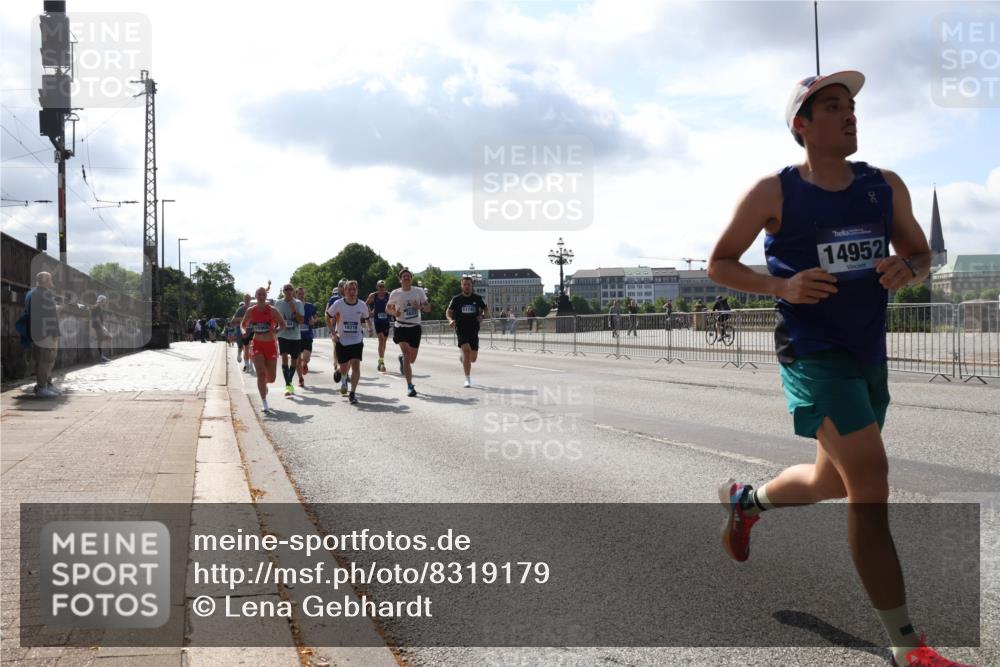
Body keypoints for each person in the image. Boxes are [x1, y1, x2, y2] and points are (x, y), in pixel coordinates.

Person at [707, 70, 968, 667]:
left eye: (851, 106)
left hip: (867, 354)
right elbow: (720, 263)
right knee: (871, 480)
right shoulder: (773, 192)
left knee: (833, 481)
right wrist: (781, 284)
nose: (849, 115)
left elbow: (920, 252)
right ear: (801, 125)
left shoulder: (883, 186)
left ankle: (748, 503)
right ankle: (908, 647)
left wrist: (912, 269)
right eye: (832, 107)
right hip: (812, 351)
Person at [386, 268, 430, 397]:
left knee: (412, 359)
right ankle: (410, 386)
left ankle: (402, 360)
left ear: (411, 278)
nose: (406, 278)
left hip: (415, 327)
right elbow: (388, 308)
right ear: (400, 280)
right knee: (406, 354)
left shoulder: (419, 291)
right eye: (403, 276)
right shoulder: (395, 293)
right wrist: (394, 313)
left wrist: (420, 307)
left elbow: (428, 308)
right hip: (401, 327)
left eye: (408, 276)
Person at [241, 286, 285, 412]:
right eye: (259, 294)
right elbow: (243, 324)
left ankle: (264, 384)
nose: (261, 296)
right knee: (260, 373)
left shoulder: (273, 310)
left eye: (263, 294)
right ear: (256, 296)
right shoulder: (251, 310)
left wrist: (276, 331)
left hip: (270, 344)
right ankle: (264, 402)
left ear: (266, 296)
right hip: (257, 344)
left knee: (271, 378)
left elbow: (283, 324)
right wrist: (244, 330)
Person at [25, 271, 67, 397]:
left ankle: (45, 385)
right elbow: (50, 315)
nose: (51, 281)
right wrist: (60, 308)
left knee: (44, 360)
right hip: (46, 333)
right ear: (45, 280)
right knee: (46, 360)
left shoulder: (32, 293)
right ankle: (42, 388)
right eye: (49, 279)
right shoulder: (44, 294)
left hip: (37, 331)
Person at [327, 280, 370, 404]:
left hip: (357, 339)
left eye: (354, 289)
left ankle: (352, 393)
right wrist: (333, 333)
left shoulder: (362, 304)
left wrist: (369, 327)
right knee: (345, 367)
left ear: (357, 291)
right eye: (349, 289)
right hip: (342, 340)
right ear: (344, 291)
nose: (352, 292)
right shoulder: (338, 304)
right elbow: (327, 316)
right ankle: (343, 376)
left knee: (355, 364)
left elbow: (367, 318)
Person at [447, 275, 489, 388]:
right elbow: (448, 312)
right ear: (461, 286)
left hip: (474, 329)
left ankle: (464, 359)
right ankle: (467, 379)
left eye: (468, 284)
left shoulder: (477, 298)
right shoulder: (456, 299)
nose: (466, 286)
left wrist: (483, 316)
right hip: (461, 329)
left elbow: (485, 309)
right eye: (464, 284)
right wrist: (450, 320)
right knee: (466, 351)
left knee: (473, 359)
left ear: (472, 286)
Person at [275, 283, 305, 397]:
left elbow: (301, 320)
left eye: (290, 289)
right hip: (282, 335)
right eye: (286, 289)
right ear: (283, 291)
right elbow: (274, 318)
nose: (288, 291)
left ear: (293, 291)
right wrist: (274, 329)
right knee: (284, 358)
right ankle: (288, 386)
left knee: (294, 360)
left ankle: (289, 382)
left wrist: (293, 310)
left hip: (295, 336)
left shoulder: (298, 303)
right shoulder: (278, 303)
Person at [366, 280, 392, 372]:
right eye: (380, 286)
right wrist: (370, 312)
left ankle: (381, 359)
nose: (381, 288)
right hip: (377, 321)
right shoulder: (373, 295)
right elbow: (366, 304)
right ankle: (382, 362)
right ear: (377, 287)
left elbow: (395, 304)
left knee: (384, 342)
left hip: (386, 321)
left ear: (385, 287)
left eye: (383, 286)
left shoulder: (389, 295)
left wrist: (391, 310)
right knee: (380, 339)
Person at [325, 279, 348, 382]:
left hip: (348, 328)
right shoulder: (334, 298)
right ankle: (336, 363)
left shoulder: (351, 297)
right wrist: (332, 318)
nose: (343, 287)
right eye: (341, 286)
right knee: (336, 346)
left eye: (345, 285)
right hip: (335, 326)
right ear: (339, 287)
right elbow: (327, 312)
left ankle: (342, 370)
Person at [295, 287, 316, 388]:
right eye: (299, 294)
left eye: (303, 294)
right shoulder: (293, 306)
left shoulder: (310, 306)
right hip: (296, 336)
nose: (301, 295)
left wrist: (313, 321)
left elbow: (314, 317)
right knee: (297, 360)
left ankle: (304, 364)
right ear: (296, 294)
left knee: (306, 359)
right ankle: (300, 379)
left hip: (307, 335)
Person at [232, 294, 252, 372]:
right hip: (241, 330)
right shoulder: (240, 309)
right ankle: (239, 355)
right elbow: (233, 320)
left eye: (248, 298)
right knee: (241, 347)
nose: (247, 300)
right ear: (244, 299)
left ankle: (247, 365)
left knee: (249, 348)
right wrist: (245, 319)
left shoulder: (253, 308)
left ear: (250, 299)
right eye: (246, 298)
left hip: (252, 331)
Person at [91, 294, 112, 362]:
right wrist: (102, 327)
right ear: (102, 300)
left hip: (99, 325)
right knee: (108, 337)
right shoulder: (97, 306)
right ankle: (101, 356)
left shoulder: (99, 307)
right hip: (98, 326)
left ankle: (101, 356)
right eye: (104, 301)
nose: (105, 302)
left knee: (106, 338)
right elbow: (95, 317)